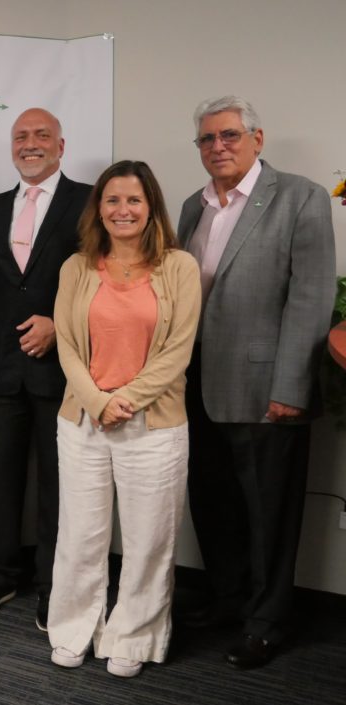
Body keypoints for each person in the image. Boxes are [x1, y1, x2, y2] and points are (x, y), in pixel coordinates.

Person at [177, 96, 336, 668]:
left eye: (229, 136)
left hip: (267, 388)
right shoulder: (193, 209)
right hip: (197, 386)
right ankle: (228, 598)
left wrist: (292, 387)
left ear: (257, 139)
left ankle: (267, 621)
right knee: (213, 501)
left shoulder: (301, 197)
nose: (217, 147)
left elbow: (313, 298)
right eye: (206, 140)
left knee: (269, 513)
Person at [49, 160, 201, 678]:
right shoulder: (76, 267)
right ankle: (73, 629)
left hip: (153, 424)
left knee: (149, 539)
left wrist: (125, 399)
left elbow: (178, 350)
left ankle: (133, 635)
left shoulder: (179, 267)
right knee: (80, 535)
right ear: (99, 209)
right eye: (112, 200)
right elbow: (66, 345)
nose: (123, 210)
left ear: (151, 206)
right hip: (83, 421)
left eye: (134, 200)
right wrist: (97, 400)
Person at [0, 108, 91, 627]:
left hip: (66, 367)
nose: (30, 144)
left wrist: (60, 324)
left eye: (41, 136)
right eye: (21, 137)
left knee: (60, 482)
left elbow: (103, 280)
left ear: (61, 145)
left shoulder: (88, 203)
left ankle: (53, 582)